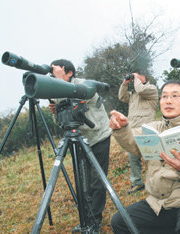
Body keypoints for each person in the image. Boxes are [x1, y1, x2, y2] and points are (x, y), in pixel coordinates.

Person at [110, 80, 180, 234]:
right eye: (164, 97)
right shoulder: (153, 128)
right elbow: (133, 140)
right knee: (120, 222)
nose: (168, 101)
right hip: (157, 202)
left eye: (175, 96)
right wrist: (123, 128)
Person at [48, 59, 112, 233]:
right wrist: (56, 112)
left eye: (57, 69)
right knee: (83, 183)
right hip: (79, 140)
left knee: (96, 181)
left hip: (98, 137)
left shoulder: (83, 85)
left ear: (68, 72)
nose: (53, 72)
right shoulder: (57, 92)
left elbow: (83, 99)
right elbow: (64, 120)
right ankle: (86, 219)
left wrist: (60, 86)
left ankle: (95, 221)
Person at [118, 70, 158, 194]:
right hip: (133, 129)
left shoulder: (151, 89)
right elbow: (121, 96)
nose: (134, 78)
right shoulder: (133, 94)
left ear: (144, 76)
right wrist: (125, 83)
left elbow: (141, 90)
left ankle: (155, 182)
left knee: (153, 158)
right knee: (133, 157)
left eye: (137, 75)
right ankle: (137, 183)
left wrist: (135, 79)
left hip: (147, 128)